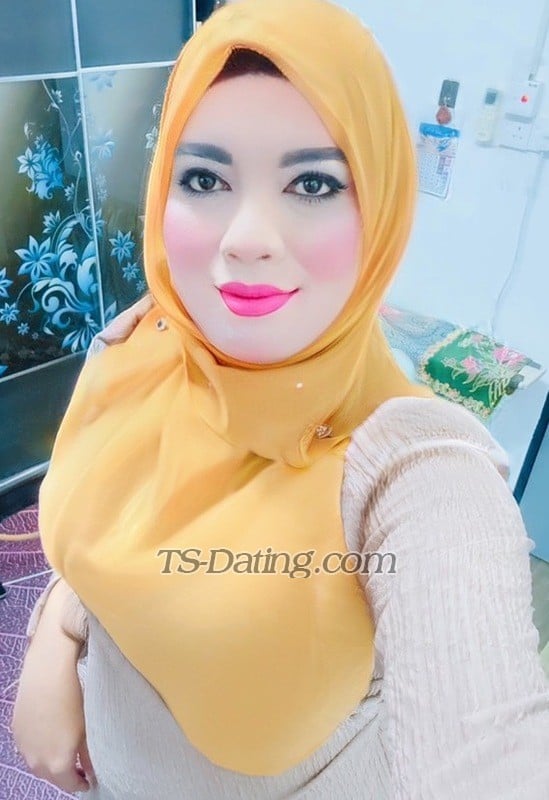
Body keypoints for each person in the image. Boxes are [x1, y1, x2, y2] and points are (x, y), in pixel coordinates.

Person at [11, 1, 549, 798]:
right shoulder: (142, 348)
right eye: (204, 179)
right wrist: (55, 638)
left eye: (311, 182)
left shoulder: (410, 465)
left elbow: (482, 748)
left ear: (381, 209)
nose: (245, 238)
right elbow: (98, 537)